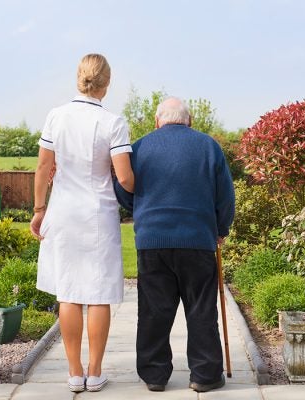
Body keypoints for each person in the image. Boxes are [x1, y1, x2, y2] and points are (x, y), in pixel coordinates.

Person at [114, 97, 235, 393]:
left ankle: (155, 376)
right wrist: (221, 229)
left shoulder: (140, 147)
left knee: (155, 310)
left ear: (157, 121)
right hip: (197, 240)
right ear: (189, 120)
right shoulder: (209, 147)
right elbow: (225, 196)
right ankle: (205, 375)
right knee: (201, 309)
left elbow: (123, 186)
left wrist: (139, 211)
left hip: (152, 241)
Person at [30, 53, 134, 393]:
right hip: (98, 215)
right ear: (107, 82)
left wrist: (38, 209)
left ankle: (74, 373)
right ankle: (95, 371)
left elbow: (44, 167)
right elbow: (125, 177)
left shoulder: (55, 116)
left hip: (62, 211)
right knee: (99, 292)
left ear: (79, 78)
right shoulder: (113, 123)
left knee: (69, 291)